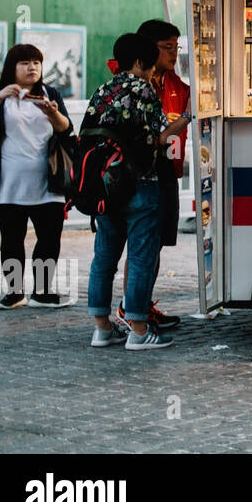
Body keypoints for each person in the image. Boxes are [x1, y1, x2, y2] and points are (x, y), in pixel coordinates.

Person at [85, 33, 190, 350]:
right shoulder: (143, 89)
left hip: (106, 185)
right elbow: (159, 138)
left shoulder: (103, 89)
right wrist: (186, 117)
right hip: (141, 183)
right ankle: (139, 330)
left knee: (104, 258)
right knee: (142, 257)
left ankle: (102, 328)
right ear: (143, 62)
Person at [0, 44, 74, 308]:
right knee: (11, 240)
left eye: (36, 63)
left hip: (48, 181)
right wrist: (1, 95)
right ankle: (14, 293)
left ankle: (43, 292)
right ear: (12, 67)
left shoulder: (50, 93)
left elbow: (66, 129)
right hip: (8, 183)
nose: (32, 68)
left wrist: (52, 112)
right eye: (25, 63)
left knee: (49, 238)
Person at [111, 20, 190, 333]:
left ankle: (139, 306)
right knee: (138, 246)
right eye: (167, 47)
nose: (173, 54)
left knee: (154, 245)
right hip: (138, 174)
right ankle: (130, 311)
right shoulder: (129, 83)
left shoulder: (176, 83)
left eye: (176, 47)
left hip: (166, 170)